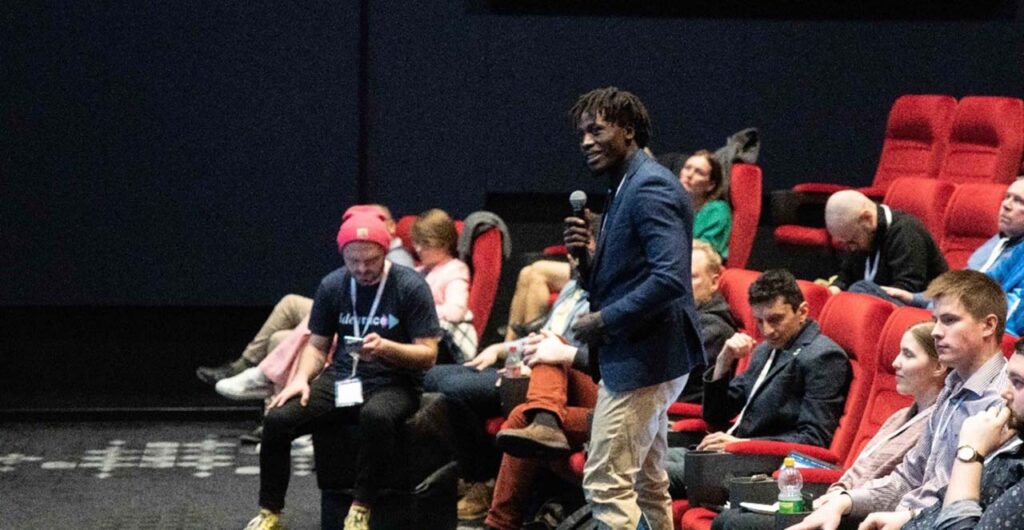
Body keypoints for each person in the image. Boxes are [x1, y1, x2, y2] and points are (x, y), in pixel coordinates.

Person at [484, 243, 737, 530]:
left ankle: (500, 522)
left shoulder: (710, 326)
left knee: (522, 414)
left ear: (715, 281)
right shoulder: (671, 314)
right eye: (680, 275)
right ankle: (545, 416)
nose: (683, 284)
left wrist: (570, 356)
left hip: (651, 413)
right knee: (554, 347)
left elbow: (646, 374)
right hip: (620, 394)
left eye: (692, 276)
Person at [243, 210, 440, 530]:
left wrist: (387, 349)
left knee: (375, 417)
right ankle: (270, 512)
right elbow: (317, 346)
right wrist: (300, 380)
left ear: (385, 252)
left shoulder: (410, 286)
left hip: (396, 381)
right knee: (277, 419)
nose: (362, 269)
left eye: (371, 260)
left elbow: (428, 355)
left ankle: (361, 507)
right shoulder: (333, 285)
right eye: (354, 262)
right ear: (343, 256)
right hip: (345, 377)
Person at [563, 86, 705, 529]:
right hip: (644, 354)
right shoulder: (624, 185)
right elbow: (626, 278)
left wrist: (603, 321)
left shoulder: (649, 188)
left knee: (606, 480)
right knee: (647, 480)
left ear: (627, 130)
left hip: (645, 357)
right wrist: (585, 259)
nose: (586, 141)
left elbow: (670, 278)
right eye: (581, 133)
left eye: (596, 129)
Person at [787, 270, 1010, 530]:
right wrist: (845, 500)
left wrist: (909, 517)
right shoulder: (951, 391)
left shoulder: (1005, 401)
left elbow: (976, 506)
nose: (936, 332)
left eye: (949, 321)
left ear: (988, 325)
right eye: (935, 320)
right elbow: (907, 479)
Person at [711, 321, 947, 530]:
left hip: (863, 515)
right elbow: (858, 468)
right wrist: (834, 494)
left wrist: (842, 499)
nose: (895, 363)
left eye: (908, 355)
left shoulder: (938, 424)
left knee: (732, 522)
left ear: (939, 367)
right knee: (727, 517)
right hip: (838, 500)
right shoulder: (898, 416)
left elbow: (904, 488)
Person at [665, 269, 849, 495]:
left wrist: (743, 444)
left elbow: (813, 438)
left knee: (646, 474)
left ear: (802, 312)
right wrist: (723, 364)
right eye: (759, 321)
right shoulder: (765, 349)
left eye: (775, 319)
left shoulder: (823, 356)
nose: (767, 330)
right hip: (722, 455)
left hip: (756, 468)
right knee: (630, 460)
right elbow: (715, 417)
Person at [424, 274, 590, 521]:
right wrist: (500, 349)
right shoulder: (572, 287)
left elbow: (594, 358)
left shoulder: (609, 296)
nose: (573, 255)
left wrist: (543, 363)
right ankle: (543, 421)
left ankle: (483, 487)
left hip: (574, 383)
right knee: (432, 375)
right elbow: (540, 339)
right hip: (541, 373)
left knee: (458, 389)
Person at [196, 204, 414, 385]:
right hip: (355, 315)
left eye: (376, 220)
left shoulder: (398, 262)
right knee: (291, 308)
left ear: (391, 226)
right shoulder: (350, 266)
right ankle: (258, 386)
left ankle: (257, 374)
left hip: (374, 325)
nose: (362, 267)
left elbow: (393, 301)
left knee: (296, 329)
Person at [900, 338, 1024, 530]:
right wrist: (909, 518)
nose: (1005, 393)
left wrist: (970, 452)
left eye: (1018, 382)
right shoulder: (1016, 446)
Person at [882, 176, 1024, 306]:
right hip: (941, 311)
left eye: (1019, 201)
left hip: (965, 321)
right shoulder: (997, 242)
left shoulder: (1019, 257)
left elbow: (1004, 309)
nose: (1006, 205)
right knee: (871, 295)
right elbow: (959, 288)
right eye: (1007, 197)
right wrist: (913, 297)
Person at [824, 189, 947, 303]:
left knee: (860, 289)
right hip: (879, 305)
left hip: (924, 307)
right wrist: (835, 288)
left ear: (868, 219)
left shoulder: (907, 231)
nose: (851, 248)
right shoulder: (859, 233)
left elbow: (906, 289)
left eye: (852, 241)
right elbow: (846, 274)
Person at [412, 208, 476, 362]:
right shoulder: (416, 271)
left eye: (426, 244)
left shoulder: (455, 269)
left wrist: (416, 311)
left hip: (444, 348)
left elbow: (455, 312)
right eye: (416, 242)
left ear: (444, 244)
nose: (418, 249)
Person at [674, 150, 733, 259]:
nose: (689, 175)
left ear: (710, 185)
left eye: (699, 172)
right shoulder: (671, 203)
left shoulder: (718, 210)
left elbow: (704, 253)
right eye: (687, 168)